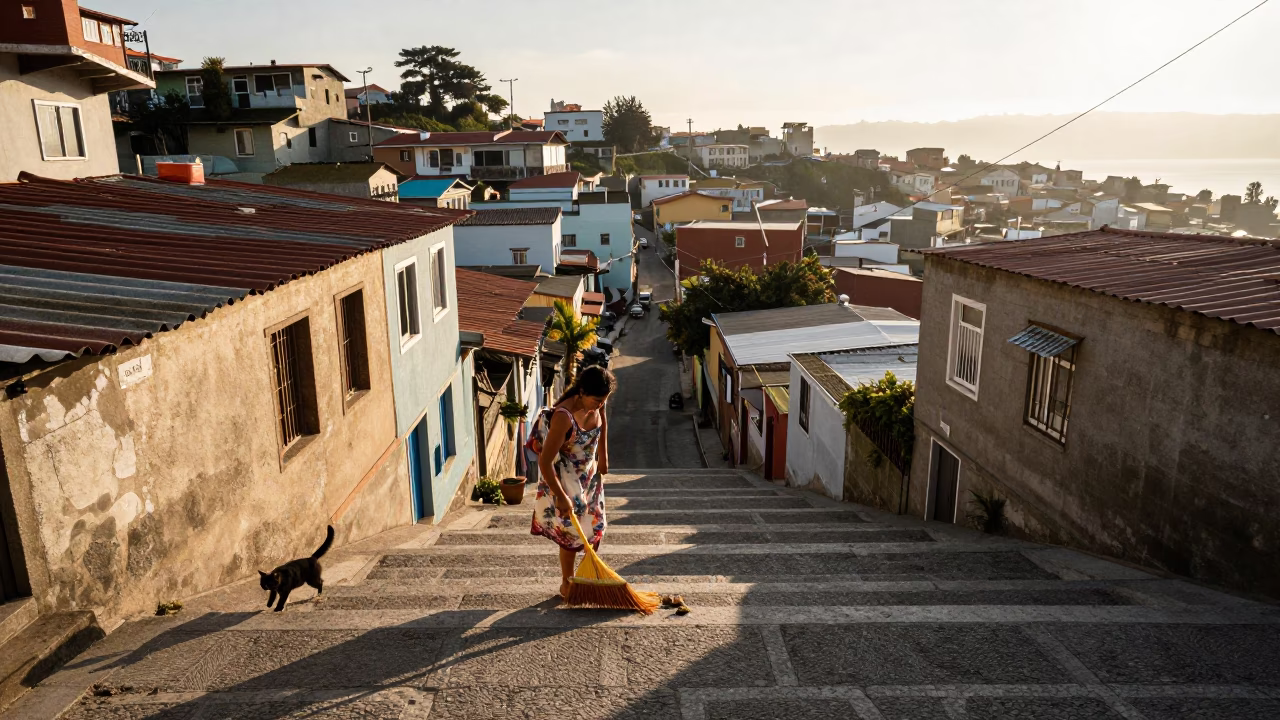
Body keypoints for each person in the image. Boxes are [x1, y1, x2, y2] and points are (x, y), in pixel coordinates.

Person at [530, 365, 615, 599]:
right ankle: (567, 584)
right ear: (582, 392)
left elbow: (602, 423)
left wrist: (603, 457)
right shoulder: (563, 417)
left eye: (603, 401)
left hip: (590, 478)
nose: (599, 405)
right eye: (596, 400)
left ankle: (586, 578)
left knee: (596, 528)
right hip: (565, 482)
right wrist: (560, 496)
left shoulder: (599, 404)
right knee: (570, 537)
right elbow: (545, 462)